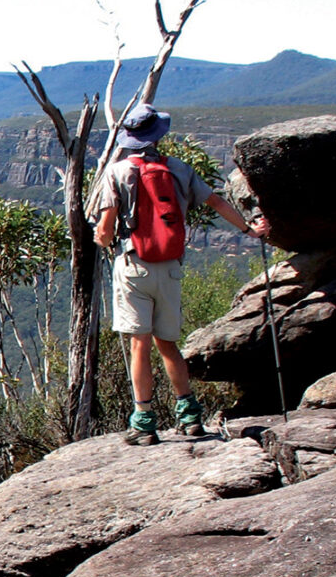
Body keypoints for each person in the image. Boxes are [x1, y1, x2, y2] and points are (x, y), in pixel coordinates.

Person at [92, 105, 269, 445]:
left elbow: (105, 228)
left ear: (130, 138)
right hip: (170, 266)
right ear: (158, 135)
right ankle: (190, 417)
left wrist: (101, 239)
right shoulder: (180, 169)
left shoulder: (116, 173)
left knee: (139, 345)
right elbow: (216, 203)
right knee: (168, 344)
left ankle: (143, 422)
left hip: (132, 265)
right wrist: (250, 230)